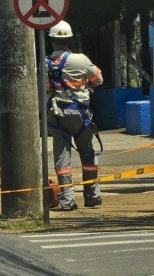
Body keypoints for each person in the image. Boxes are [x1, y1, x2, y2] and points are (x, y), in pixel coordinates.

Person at [45, 20, 104, 211]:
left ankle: (66, 200)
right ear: (70, 40)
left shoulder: (44, 63)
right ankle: (92, 196)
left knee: (62, 158)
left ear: (51, 41)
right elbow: (98, 79)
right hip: (79, 114)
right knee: (87, 154)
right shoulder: (81, 60)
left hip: (56, 114)